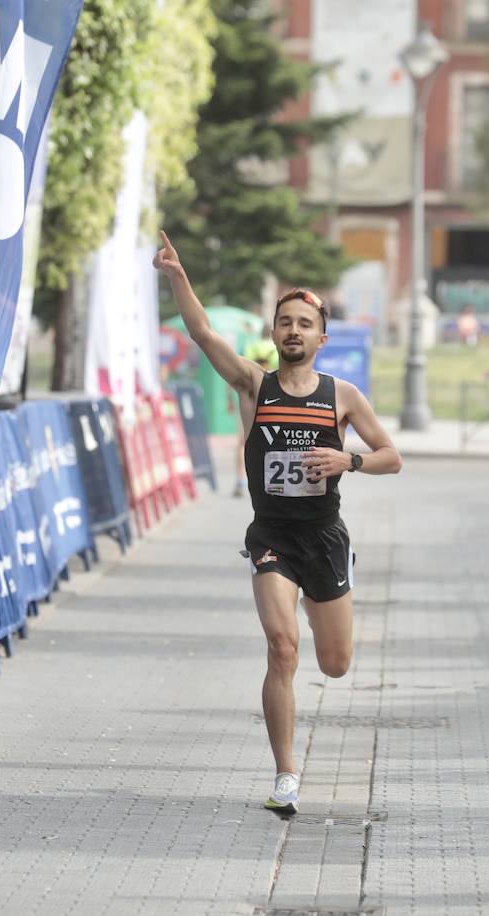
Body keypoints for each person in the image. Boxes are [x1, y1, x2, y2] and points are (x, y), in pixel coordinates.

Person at [153, 231, 401, 815]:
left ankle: (324, 603)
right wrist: (176, 274)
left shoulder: (343, 396)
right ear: (273, 332)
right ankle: (286, 772)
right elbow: (203, 334)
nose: (293, 330)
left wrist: (350, 459)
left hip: (325, 536)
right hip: (272, 536)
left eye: (304, 324)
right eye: (284, 321)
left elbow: (392, 455)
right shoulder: (253, 384)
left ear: (321, 337)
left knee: (335, 664)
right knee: (282, 647)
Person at [234, 331, 280, 497]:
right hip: (272, 399)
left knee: (242, 442)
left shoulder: (250, 348)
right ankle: (271, 480)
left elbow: (238, 372)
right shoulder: (276, 349)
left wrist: (229, 399)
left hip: (250, 397)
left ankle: (240, 480)